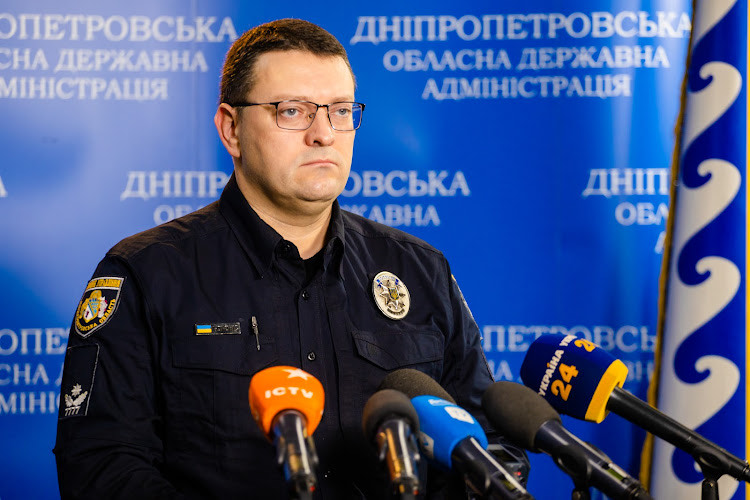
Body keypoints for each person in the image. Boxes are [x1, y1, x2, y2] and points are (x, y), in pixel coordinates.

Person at [54, 18, 527, 499]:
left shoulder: (420, 270)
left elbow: (488, 447)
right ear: (231, 129)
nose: (324, 134)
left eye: (341, 111)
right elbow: (101, 468)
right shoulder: (146, 274)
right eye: (293, 111)